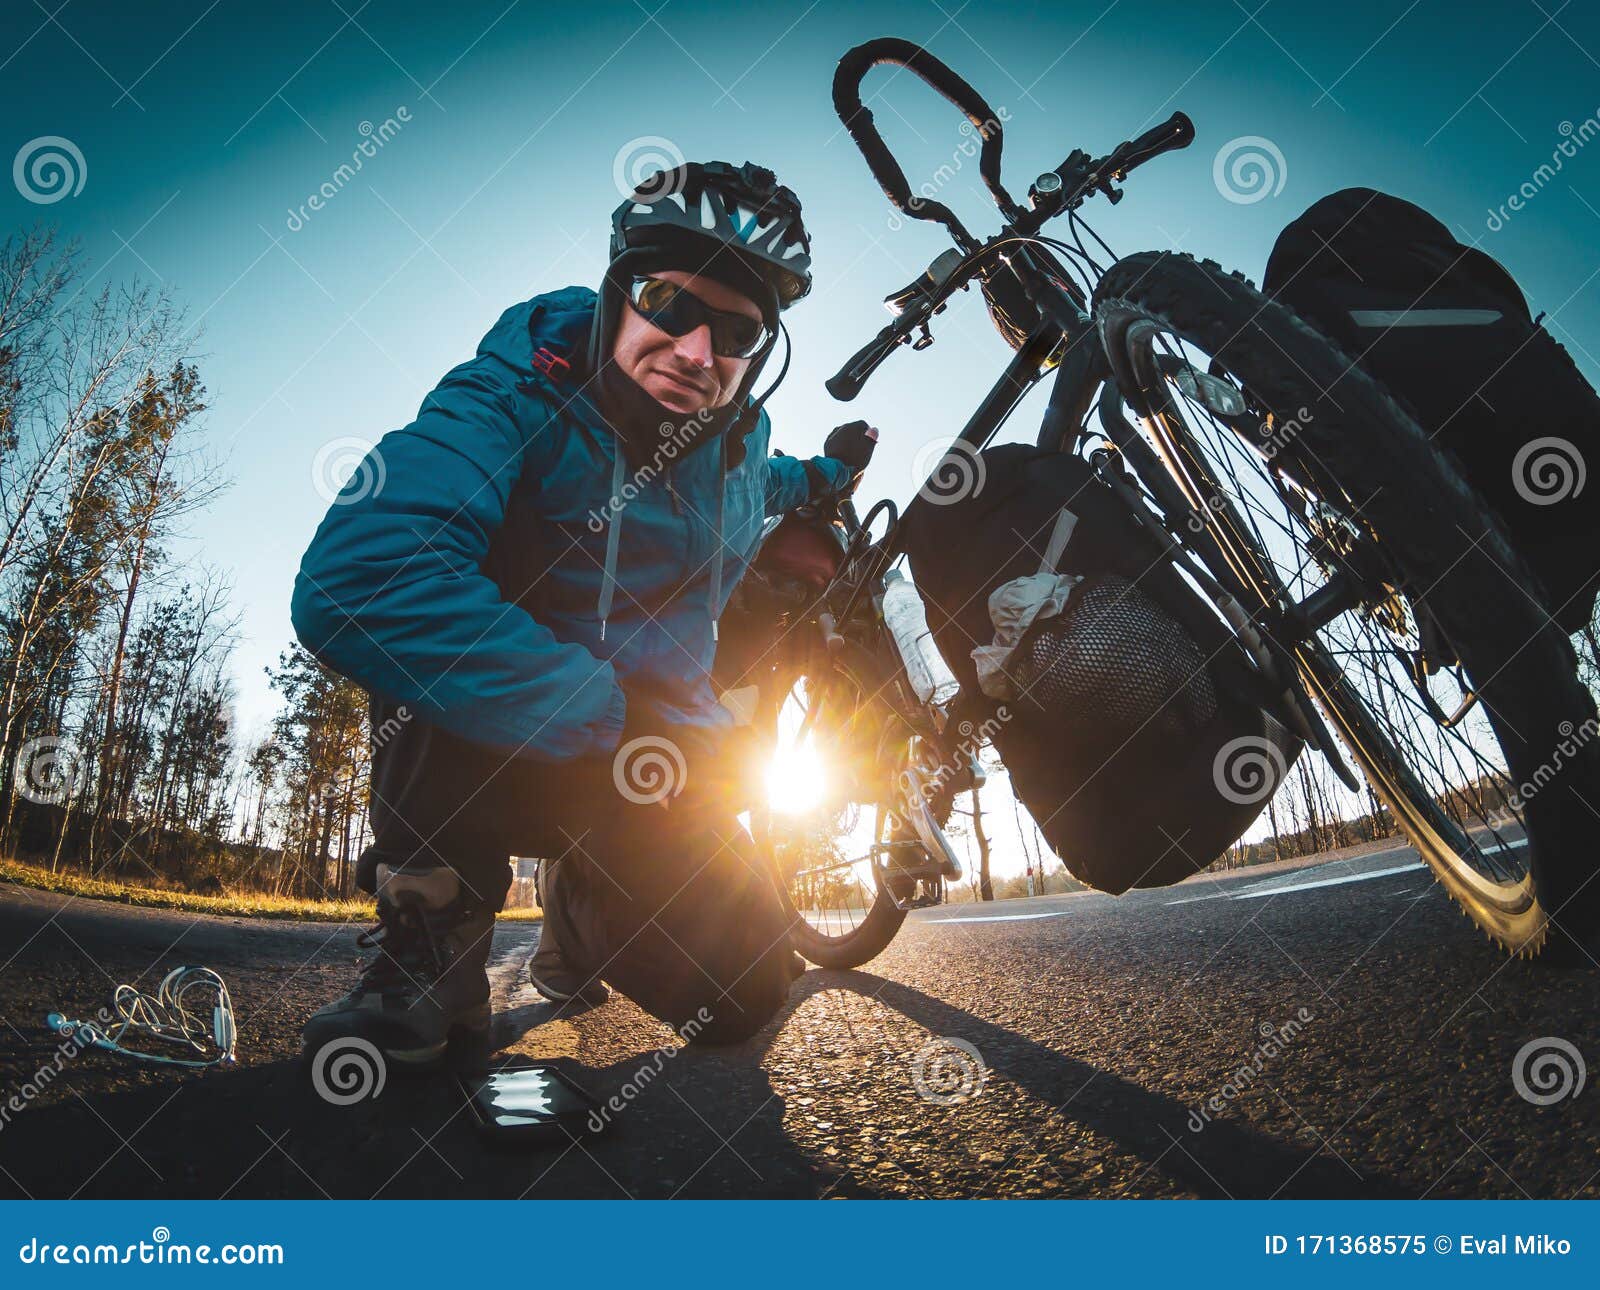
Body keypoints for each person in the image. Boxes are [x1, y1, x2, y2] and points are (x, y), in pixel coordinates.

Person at [289, 160, 878, 1064]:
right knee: (434, 626)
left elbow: (782, 481)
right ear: (616, 293)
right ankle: (433, 954)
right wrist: (602, 710)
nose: (696, 351)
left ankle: (582, 898)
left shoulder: (737, 449)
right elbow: (358, 575)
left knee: (741, 993)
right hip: (499, 739)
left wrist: (838, 473)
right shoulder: (514, 388)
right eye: (667, 302)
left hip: (653, 760)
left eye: (737, 330)